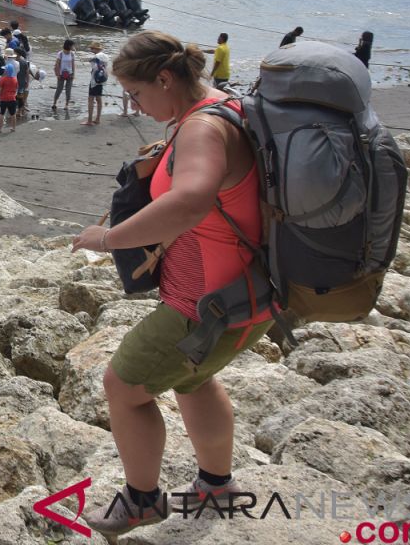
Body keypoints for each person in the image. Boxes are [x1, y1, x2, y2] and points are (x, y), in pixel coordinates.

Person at [71, 31, 274, 538]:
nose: (135, 105)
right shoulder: (225, 105)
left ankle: (143, 501)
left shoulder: (202, 128)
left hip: (208, 307)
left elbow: (190, 201)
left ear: (164, 78)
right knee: (192, 379)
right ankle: (216, 485)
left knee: (123, 387)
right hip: (250, 298)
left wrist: (109, 238)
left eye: (137, 94)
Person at [82, 41, 110, 127]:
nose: (91, 49)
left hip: (95, 80)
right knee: (99, 99)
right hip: (102, 80)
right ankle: (97, 119)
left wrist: (84, 60)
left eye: (92, 48)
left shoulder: (97, 56)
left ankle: (90, 120)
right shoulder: (106, 56)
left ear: (96, 49)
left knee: (91, 99)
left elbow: (92, 65)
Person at [0, 63, 19, 139]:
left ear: (6, 71)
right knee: (13, 114)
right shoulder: (15, 79)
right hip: (12, 99)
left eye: (5, 69)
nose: (4, 70)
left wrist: (0, 96)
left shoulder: (3, 79)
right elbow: (16, 89)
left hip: (4, 99)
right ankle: (13, 128)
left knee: (1, 114)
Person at [52, 38, 76, 112]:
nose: (73, 47)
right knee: (59, 89)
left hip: (70, 74)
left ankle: (66, 104)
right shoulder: (60, 53)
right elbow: (57, 64)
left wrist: (73, 73)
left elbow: (73, 64)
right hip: (61, 74)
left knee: (68, 90)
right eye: (72, 45)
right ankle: (54, 103)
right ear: (68, 46)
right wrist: (58, 74)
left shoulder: (72, 54)